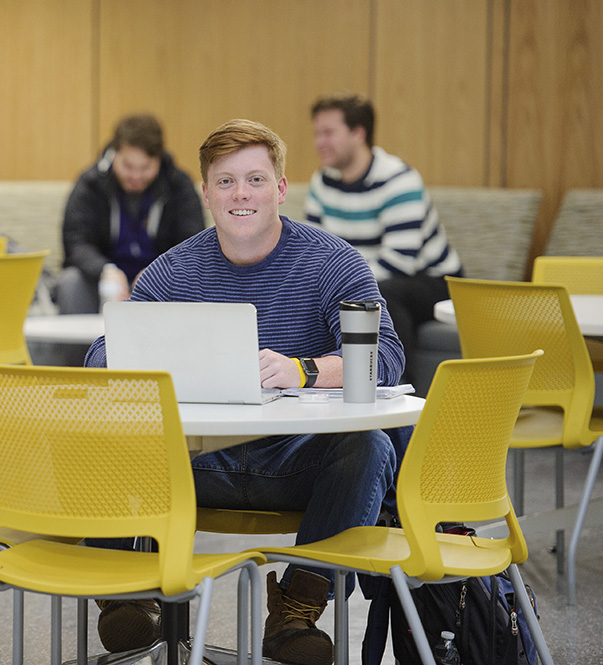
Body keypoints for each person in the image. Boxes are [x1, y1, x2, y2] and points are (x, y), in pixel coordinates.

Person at [83, 119, 404, 665]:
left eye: (255, 180)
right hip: (195, 465)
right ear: (205, 192)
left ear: (280, 189)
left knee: (370, 447)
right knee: (110, 439)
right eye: (226, 182)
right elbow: (101, 357)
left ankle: (295, 610)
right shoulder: (174, 270)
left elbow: (387, 360)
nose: (240, 194)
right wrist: (149, 355)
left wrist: (301, 370)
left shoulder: (331, 260)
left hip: (295, 467)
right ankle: (126, 595)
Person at [303, 94, 462, 388]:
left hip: (432, 282)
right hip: (366, 277)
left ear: (358, 133)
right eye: (316, 133)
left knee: (386, 295)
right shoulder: (321, 182)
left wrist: (342, 284)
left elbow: (399, 261)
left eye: (328, 133)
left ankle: (397, 388)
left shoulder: (398, 180)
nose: (318, 142)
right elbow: (314, 251)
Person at [57, 113, 206, 314]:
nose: (136, 176)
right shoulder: (91, 184)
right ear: (114, 154)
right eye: (128, 166)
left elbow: (192, 244)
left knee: (189, 283)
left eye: (145, 168)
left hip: (160, 282)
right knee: (71, 281)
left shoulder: (179, 186)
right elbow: (76, 242)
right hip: (103, 279)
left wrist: (157, 272)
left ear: (159, 160)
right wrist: (105, 270)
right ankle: (79, 347)